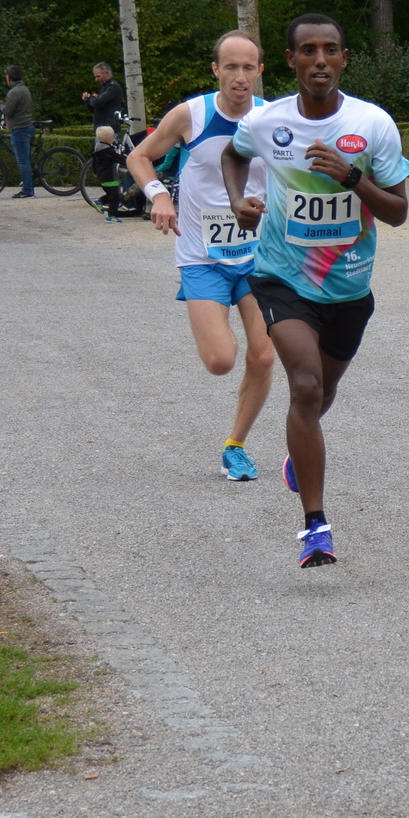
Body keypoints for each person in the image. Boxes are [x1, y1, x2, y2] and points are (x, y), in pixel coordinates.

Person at [222, 12, 409, 568]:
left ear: (344, 59)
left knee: (320, 396)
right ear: (291, 61)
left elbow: (399, 213)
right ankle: (315, 527)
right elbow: (233, 155)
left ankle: (297, 450)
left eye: (331, 50)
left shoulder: (373, 124)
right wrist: (239, 200)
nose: (320, 60)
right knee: (304, 387)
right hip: (282, 278)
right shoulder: (268, 122)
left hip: (350, 286)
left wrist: (352, 178)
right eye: (308, 51)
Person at [125, 31, 276, 483]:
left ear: (261, 71)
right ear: (216, 70)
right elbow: (139, 157)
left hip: (258, 258)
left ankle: (236, 445)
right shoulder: (192, 114)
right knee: (221, 362)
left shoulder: (274, 119)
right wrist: (158, 196)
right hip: (202, 257)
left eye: (248, 67)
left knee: (265, 356)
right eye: (230, 67)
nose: (240, 76)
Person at [83, 63, 128, 219]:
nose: (96, 79)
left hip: (109, 129)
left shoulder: (113, 87)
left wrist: (91, 99)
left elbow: (98, 103)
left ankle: (110, 197)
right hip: (102, 129)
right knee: (105, 159)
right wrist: (89, 100)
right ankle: (109, 196)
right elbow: (94, 107)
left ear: (107, 73)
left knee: (109, 159)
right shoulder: (105, 87)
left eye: (98, 76)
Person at [0, 67, 36, 198]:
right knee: (26, 160)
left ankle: (27, 190)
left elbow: (8, 112)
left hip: (19, 129)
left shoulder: (14, 92)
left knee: (23, 161)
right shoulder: (24, 89)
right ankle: (28, 184)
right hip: (28, 126)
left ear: (9, 78)